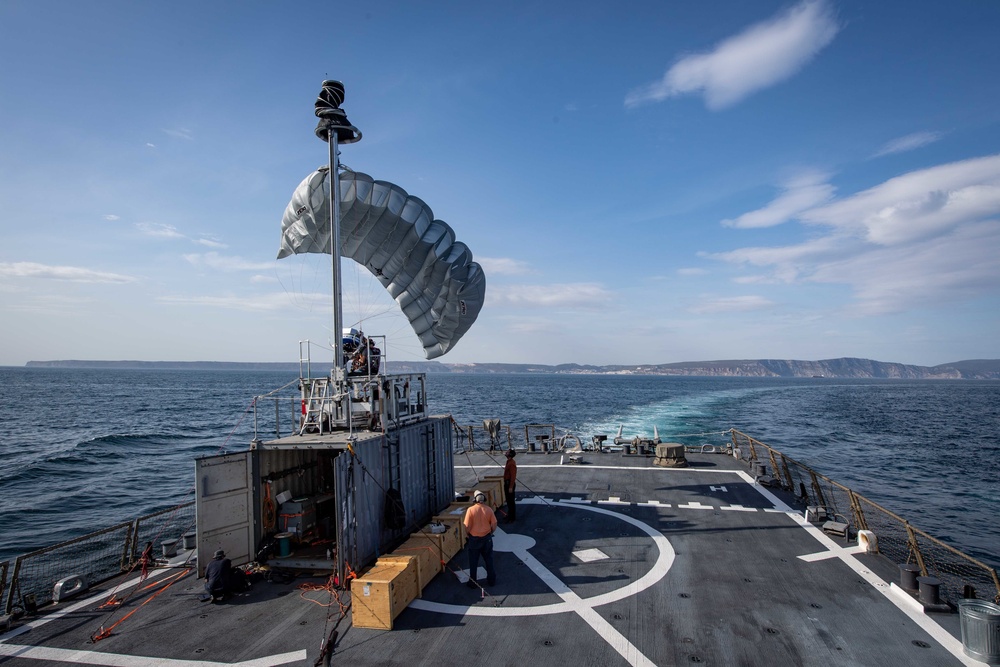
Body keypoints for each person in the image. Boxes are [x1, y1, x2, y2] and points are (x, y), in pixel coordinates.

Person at [462, 491, 497, 588]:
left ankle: (473, 582)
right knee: (489, 560)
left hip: (474, 540)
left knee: (473, 562)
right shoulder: (489, 510)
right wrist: (490, 532)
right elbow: (494, 524)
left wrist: (468, 534)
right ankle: (491, 580)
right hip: (486, 538)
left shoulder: (470, 510)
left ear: (475, 499)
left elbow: (467, 526)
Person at [503, 449, 517, 523]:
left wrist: (511, 486)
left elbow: (513, 476)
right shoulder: (508, 461)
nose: (506, 453)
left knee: (511, 501)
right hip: (507, 483)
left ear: (510, 454)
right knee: (508, 501)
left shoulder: (511, 463)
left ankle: (512, 517)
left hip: (509, 484)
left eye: (507, 452)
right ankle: (509, 515)